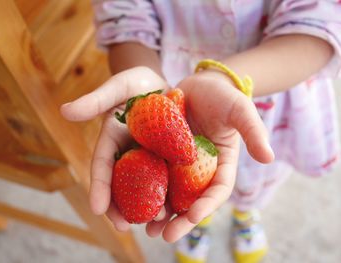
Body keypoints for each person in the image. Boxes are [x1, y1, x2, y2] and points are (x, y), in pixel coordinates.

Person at [61, 1, 341, 262]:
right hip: (170, 85)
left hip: (271, 89)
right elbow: (123, 14)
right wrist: (146, 88)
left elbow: (320, 19)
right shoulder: (165, 113)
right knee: (198, 195)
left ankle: (245, 214)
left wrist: (223, 77)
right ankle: (196, 218)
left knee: (256, 177)